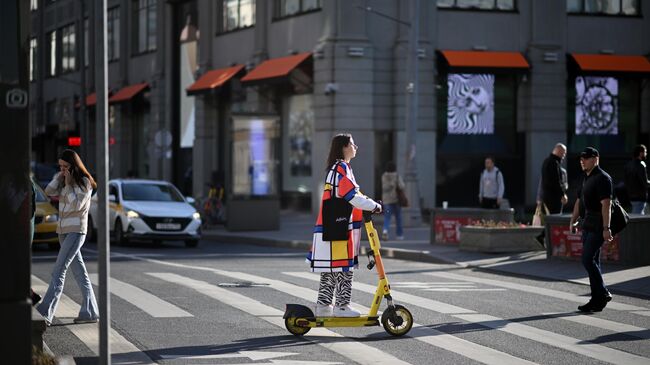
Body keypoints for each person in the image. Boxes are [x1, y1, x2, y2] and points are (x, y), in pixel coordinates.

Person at [307, 134, 382, 318]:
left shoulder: (338, 168)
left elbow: (355, 194)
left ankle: (324, 307)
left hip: (331, 226)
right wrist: (375, 206)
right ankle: (342, 306)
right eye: (353, 144)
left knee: (331, 268)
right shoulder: (341, 168)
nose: (356, 147)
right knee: (343, 267)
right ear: (344, 147)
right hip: (339, 226)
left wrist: (370, 203)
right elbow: (352, 196)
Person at [37, 149, 100, 325]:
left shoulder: (85, 182)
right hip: (63, 232)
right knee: (80, 273)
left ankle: (45, 312)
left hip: (76, 231)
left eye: (65, 167)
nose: (62, 170)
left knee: (59, 271)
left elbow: (77, 204)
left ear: (73, 166)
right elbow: (48, 192)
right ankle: (90, 311)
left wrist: (70, 183)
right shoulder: (63, 181)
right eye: (60, 167)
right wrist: (59, 178)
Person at [569, 147, 613, 312]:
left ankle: (602, 292)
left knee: (587, 260)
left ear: (596, 159)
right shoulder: (586, 178)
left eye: (586, 158)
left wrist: (606, 228)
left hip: (598, 226)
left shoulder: (603, 178)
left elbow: (606, 204)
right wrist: (573, 220)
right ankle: (597, 300)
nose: (582, 161)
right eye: (581, 158)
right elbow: (579, 201)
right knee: (594, 261)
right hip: (587, 225)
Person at [535, 143, 569, 246]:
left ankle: (545, 238)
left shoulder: (547, 161)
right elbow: (556, 182)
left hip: (548, 196)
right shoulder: (554, 163)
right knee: (555, 219)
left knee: (552, 220)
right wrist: (562, 194)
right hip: (553, 198)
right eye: (564, 153)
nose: (564, 155)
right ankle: (546, 239)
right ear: (559, 151)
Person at [381, 161, 405, 241]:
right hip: (396, 200)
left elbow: (384, 188)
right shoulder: (397, 176)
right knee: (398, 218)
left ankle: (385, 231)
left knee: (387, 218)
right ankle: (399, 235)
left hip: (387, 201)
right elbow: (402, 186)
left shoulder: (384, 176)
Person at [624, 144, 650, 215]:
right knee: (638, 218)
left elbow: (626, 181)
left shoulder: (628, 165)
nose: (646, 154)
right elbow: (644, 182)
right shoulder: (641, 165)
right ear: (641, 153)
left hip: (631, 196)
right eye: (645, 152)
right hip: (640, 196)